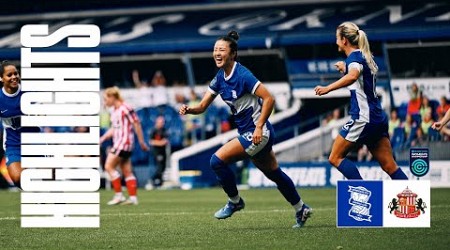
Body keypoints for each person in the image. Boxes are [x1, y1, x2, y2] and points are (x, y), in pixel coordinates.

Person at [179, 31, 312, 228]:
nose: (217, 53)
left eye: (221, 50)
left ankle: (235, 202)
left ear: (232, 54)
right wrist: (190, 109)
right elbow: (203, 106)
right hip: (249, 132)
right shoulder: (219, 78)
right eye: (215, 49)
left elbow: (270, 98)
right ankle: (301, 208)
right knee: (274, 173)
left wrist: (258, 127)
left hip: (258, 133)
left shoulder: (243, 75)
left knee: (217, 160)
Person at [314, 22, 408, 180]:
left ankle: (363, 196)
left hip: (363, 118)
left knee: (335, 157)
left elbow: (353, 76)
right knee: (389, 166)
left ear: (344, 40)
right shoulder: (364, 57)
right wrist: (345, 68)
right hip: (377, 117)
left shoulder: (354, 59)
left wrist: (327, 88)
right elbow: (360, 78)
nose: (335, 41)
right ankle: (413, 202)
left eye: (337, 38)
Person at [100, 86, 149, 205]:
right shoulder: (115, 111)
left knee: (108, 166)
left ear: (112, 97)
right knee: (126, 170)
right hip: (120, 142)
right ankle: (133, 198)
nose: (105, 102)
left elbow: (136, 123)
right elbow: (114, 129)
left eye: (106, 99)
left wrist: (142, 141)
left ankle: (119, 195)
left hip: (124, 142)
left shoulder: (125, 108)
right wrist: (103, 138)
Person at [0, 61, 41, 189]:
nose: (14, 77)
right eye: (9, 75)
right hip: (13, 143)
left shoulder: (28, 93)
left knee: (49, 174)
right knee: (17, 178)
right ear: (1, 78)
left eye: (16, 73)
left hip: (34, 140)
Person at [148, 116, 169, 189]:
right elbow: (151, 141)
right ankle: (153, 180)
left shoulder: (164, 130)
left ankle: (159, 182)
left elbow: (166, 140)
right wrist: (160, 143)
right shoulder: (154, 130)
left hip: (163, 150)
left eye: (163, 122)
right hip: (156, 151)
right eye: (161, 122)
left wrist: (162, 142)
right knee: (160, 166)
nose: (162, 124)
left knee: (163, 167)